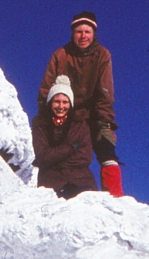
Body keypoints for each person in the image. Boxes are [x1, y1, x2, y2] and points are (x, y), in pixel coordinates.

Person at [37, 11, 123, 197]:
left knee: (106, 149)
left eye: (87, 31)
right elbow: (46, 89)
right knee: (62, 154)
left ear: (93, 33)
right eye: (78, 31)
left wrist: (105, 122)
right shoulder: (60, 55)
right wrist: (46, 117)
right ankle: (58, 193)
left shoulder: (102, 55)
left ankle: (115, 199)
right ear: (72, 33)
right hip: (65, 112)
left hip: (93, 113)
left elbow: (105, 91)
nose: (83, 36)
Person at [32, 75, 97, 199]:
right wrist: (70, 149)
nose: (61, 106)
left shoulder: (81, 125)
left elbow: (85, 157)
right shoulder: (40, 125)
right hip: (51, 182)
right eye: (57, 101)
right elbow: (42, 156)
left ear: (70, 104)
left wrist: (54, 158)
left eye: (65, 102)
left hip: (81, 181)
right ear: (50, 103)